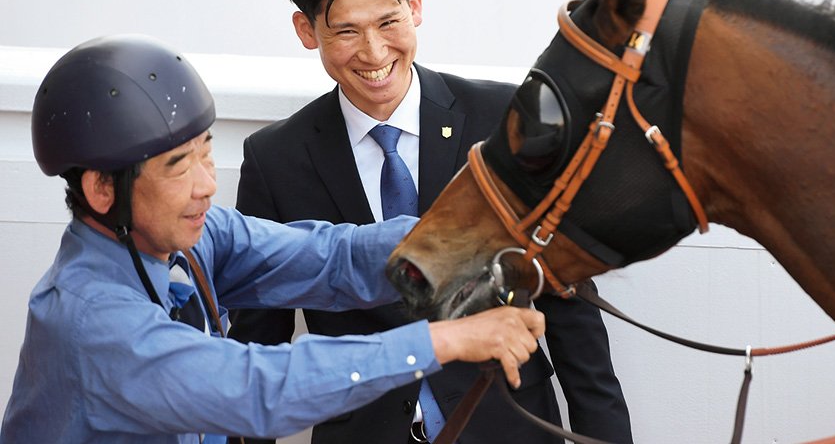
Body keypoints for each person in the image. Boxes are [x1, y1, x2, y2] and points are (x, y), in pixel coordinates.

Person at [0, 35, 546, 444]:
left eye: (206, 152)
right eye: (176, 166)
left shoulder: (189, 239)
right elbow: (260, 388)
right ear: (101, 189)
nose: (207, 184)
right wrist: (449, 340)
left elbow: (330, 259)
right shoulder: (91, 319)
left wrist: (476, 236)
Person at [227, 0, 633, 444]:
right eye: (346, 30)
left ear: (415, 5)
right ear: (306, 29)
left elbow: (571, 312)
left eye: (388, 22)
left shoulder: (504, 121)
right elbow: (258, 348)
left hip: (511, 428)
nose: (373, 53)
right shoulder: (275, 159)